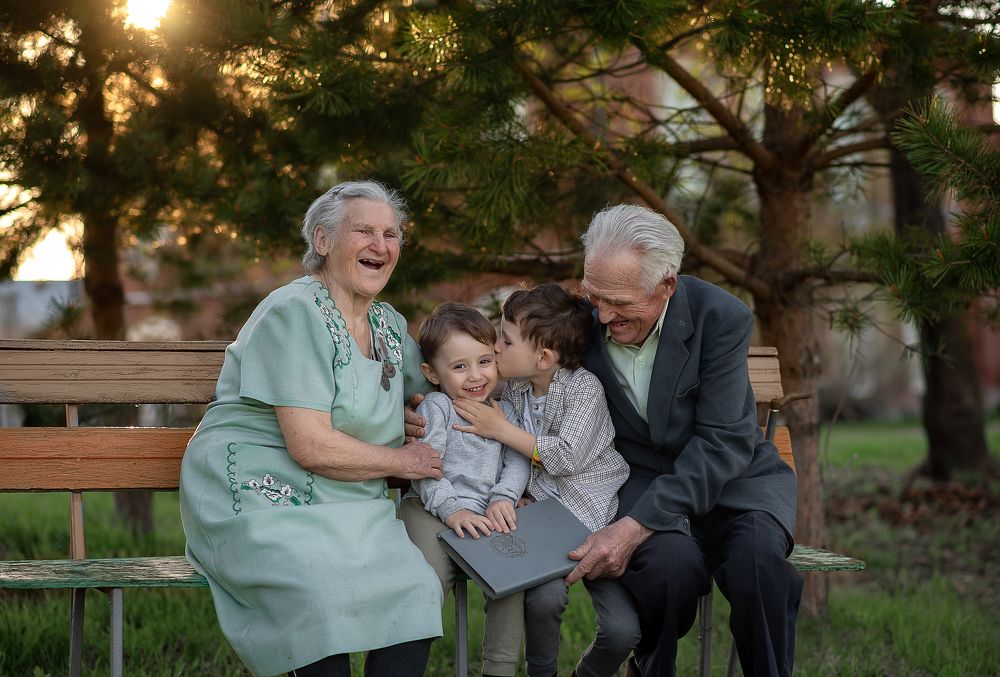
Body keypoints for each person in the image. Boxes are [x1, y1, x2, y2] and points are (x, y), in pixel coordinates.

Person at [179, 180, 445, 677]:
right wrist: (400, 459)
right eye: (363, 231)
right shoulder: (294, 312)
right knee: (319, 593)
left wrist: (415, 417)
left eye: (391, 235)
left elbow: (431, 392)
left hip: (347, 500)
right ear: (322, 242)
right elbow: (309, 444)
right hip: (261, 490)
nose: (380, 246)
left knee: (415, 588)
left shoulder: (388, 325)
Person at [566, 204, 803, 677]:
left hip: (735, 480)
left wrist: (632, 527)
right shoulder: (579, 317)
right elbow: (505, 354)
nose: (604, 314)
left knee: (758, 564)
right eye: (595, 295)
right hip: (643, 479)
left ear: (666, 285)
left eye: (621, 301)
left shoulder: (721, 317)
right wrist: (431, 403)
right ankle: (651, 668)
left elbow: (724, 443)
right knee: (668, 568)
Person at [454, 282, 640, 677]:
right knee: (544, 597)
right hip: (546, 524)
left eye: (505, 341)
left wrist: (501, 430)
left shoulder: (584, 390)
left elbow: (565, 456)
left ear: (543, 357)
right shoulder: (519, 386)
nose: (496, 348)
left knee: (622, 631)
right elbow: (466, 383)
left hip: (592, 520)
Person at [398, 303, 531, 677]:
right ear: (432, 373)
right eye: (459, 366)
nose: (475, 376)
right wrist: (453, 509)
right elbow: (425, 466)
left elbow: (518, 460)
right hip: (430, 507)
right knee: (427, 580)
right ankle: (404, 661)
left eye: (484, 361)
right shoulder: (438, 407)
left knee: (510, 579)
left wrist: (503, 498)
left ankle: (499, 670)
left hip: (485, 511)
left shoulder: (504, 410)